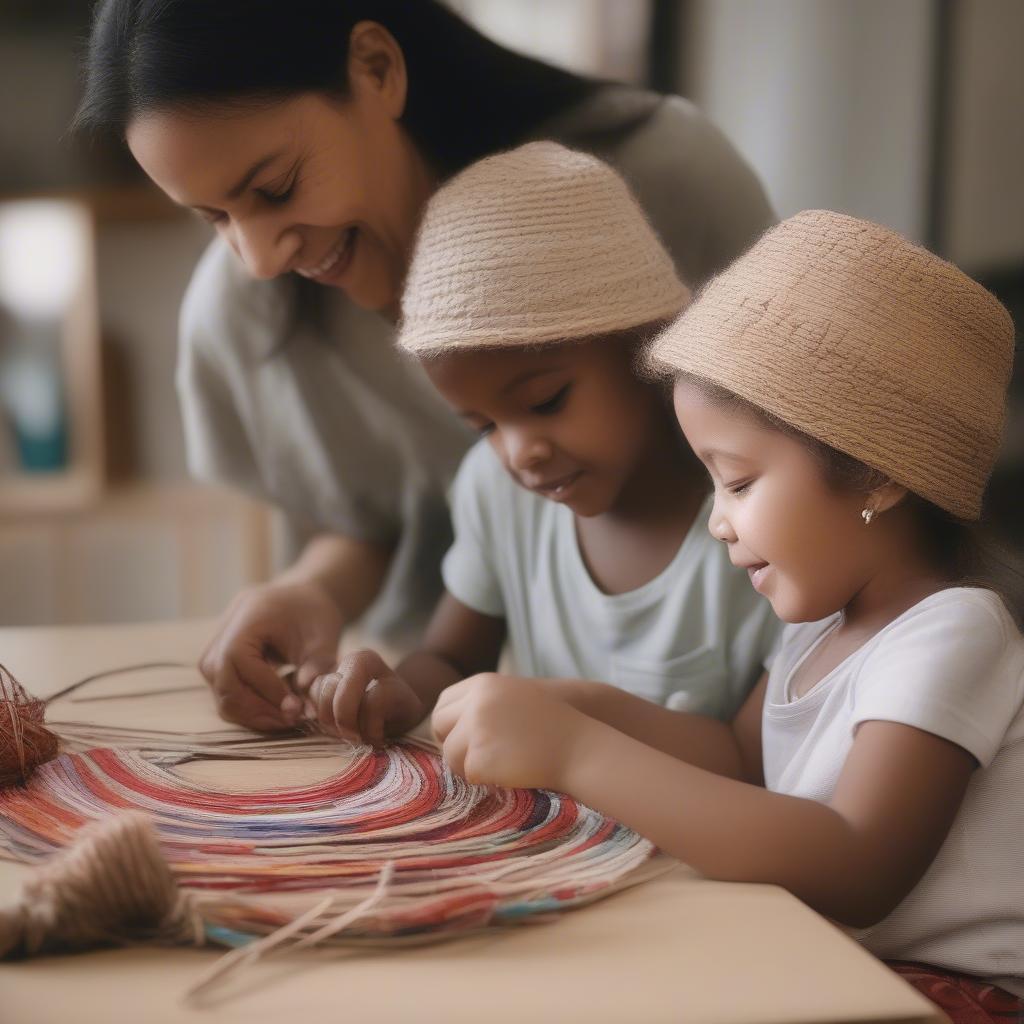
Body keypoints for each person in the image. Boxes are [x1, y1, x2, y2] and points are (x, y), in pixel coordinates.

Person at [74, 0, 775, 733]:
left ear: (376, 70)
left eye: (275, 189)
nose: (257, 259)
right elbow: (376, 520)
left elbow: (804, 449)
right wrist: (312, 591)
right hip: (464, 725)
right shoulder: (244, 317)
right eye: (212, 217)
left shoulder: (665, 180)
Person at [431, 210, 1023, 1020]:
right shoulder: (821, 624)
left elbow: (858, 864)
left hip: (952, 991)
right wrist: (579, 705)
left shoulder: (953, 631)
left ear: (878, 475)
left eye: (739, 482)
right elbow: (739, 761)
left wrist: (575, 753)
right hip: (842, 961)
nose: (717, 520)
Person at [301, 142, 778, 744]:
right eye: (483, 426)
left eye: (546, 402)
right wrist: (398, 692)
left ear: (650, 342)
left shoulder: (760, 513)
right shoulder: (495, 492)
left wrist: (567, 730)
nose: (519, 453)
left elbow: (752, 758)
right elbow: (451, 657)